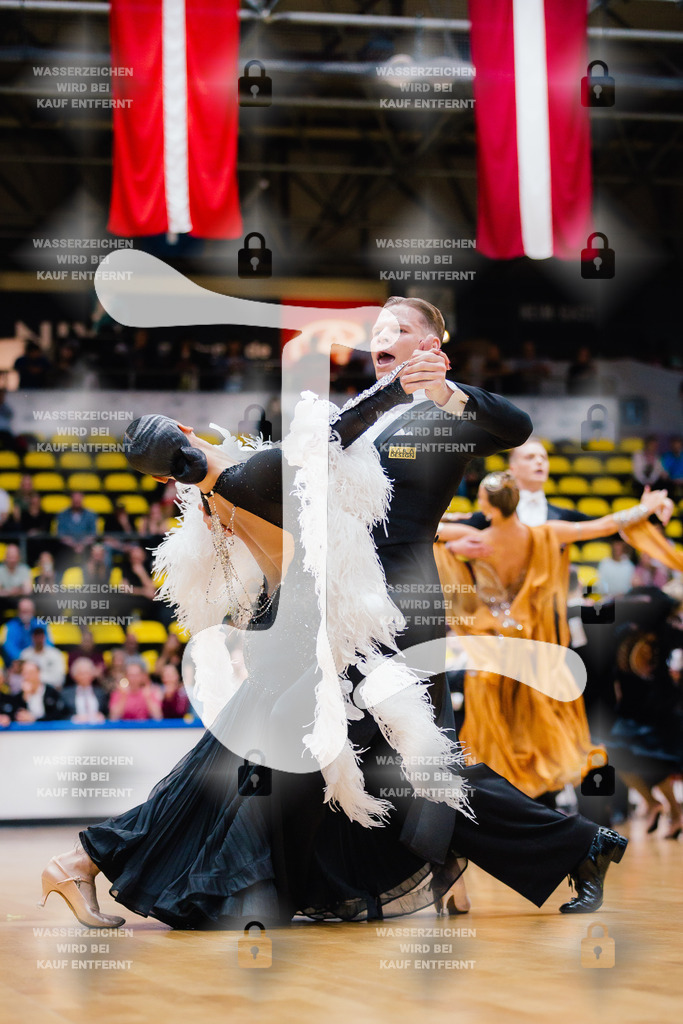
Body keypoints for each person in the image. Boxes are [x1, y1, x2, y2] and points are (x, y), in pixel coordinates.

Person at [40, 301, 626, 932]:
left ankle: (130, 866)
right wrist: (211, 474)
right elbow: (303, 462)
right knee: (322, 751)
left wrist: (448, 389)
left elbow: (516, 425)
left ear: (434, 346)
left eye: (402, 330)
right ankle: (138, 867)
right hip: (327, 604)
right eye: (380, 331)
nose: (385, 338)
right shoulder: (362, 417)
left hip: (391, 609)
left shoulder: (446, 416)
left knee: (357, 755)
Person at [434, 472, 671, 803]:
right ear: (516, 500)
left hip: (493, 651)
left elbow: (416, 529)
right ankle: (541, 811)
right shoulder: (544, 534)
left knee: (497, 736)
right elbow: (602, 525)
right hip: (534, 649)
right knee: (541, 733)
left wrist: (452, 533)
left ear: (484, 504)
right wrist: (643, 508)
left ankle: (506, 810)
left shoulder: (473, 538)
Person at [2, 597, 53, 663]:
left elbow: (49, 644)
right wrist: (24, 660)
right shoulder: (10, 626)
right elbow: (9, 647)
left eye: (28, 611)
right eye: (23, 611)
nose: (25, 614)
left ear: (33, 611)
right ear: (18, 611)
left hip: (40, 661)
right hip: (18, 663)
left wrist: (38, 659)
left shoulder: (42, 624)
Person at [61, 657, 109, 723]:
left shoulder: (100, 692)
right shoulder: (66, 694)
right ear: (74, 675)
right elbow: (60, 716)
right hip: (73, 730)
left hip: (98, 730)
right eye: (81, 673)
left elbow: (108, 714)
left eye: (87, 673)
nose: (85, 676)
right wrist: (73, 718)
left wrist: (102, 717)